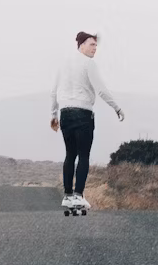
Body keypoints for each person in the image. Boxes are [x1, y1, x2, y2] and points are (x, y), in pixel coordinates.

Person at [49, 29, 123, 211]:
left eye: (96, 45)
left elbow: (53, 91)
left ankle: (67, 196)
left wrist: (53, 114)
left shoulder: (63, 65)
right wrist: (117, 107)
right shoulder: (89, 64)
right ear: (81, 45)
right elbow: (102, 90)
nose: (94, 48)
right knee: (83, 155)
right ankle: (78, 195)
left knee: (70, 154)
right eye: (91, 44)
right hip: (83, 113)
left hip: (65, 113)